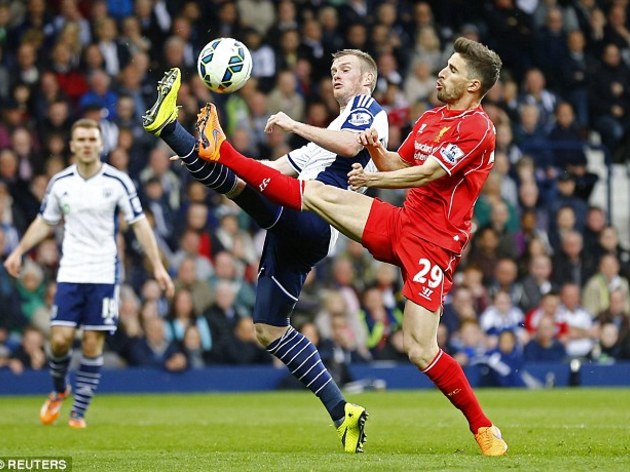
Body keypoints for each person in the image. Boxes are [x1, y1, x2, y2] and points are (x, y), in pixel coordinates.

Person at [194, 37, 508, 456]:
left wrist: (373, 179)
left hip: (433, 245)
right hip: (401, 222)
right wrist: (380, 154)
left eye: (451, 69)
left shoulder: (478, 128)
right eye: (445, 66)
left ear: (472, 85)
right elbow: (401, 164)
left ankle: (483, 427)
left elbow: (428, 174)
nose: (441, 73)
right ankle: (225, 152)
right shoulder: (432, 118)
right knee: (319, 195)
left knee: (419, 349)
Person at [142, 49, 388, 453]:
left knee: (236, 182)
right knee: (269, 330)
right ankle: (343, 413)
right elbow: (272, 170)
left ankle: (172, 127)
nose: (336, 76)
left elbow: (348, 146)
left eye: (345, 70)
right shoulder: (329, 132)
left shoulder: (368, 109)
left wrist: (293, 123)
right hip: (298, 222)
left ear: (367, 81)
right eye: (333, 71)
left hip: (317, 214)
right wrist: (196, 156)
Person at [3, 119, 174, 429]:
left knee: (93, 345)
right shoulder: (60, 182)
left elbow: (139, 224)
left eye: (91, 139)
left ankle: (78, 412)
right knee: (59, 340)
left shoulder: (117, 181)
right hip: (70, 270)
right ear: (72, 145)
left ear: (100, 144)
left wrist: (158, 266)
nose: (86, 144)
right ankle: (59, 390)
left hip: (104, 272)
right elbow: (45, 221)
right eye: (80, 139)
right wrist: (18, 251)